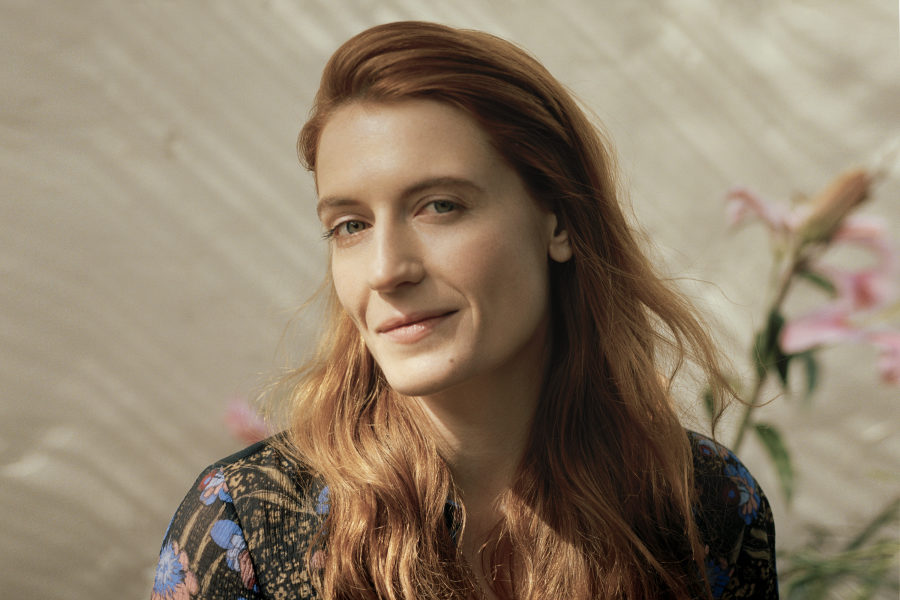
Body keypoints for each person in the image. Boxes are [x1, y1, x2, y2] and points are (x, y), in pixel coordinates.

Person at [152, 21, 778, 600]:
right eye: (350, 225)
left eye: (440, 206)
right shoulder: (248, 526)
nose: (386, 269)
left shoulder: (701, 506)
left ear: (559, 221)